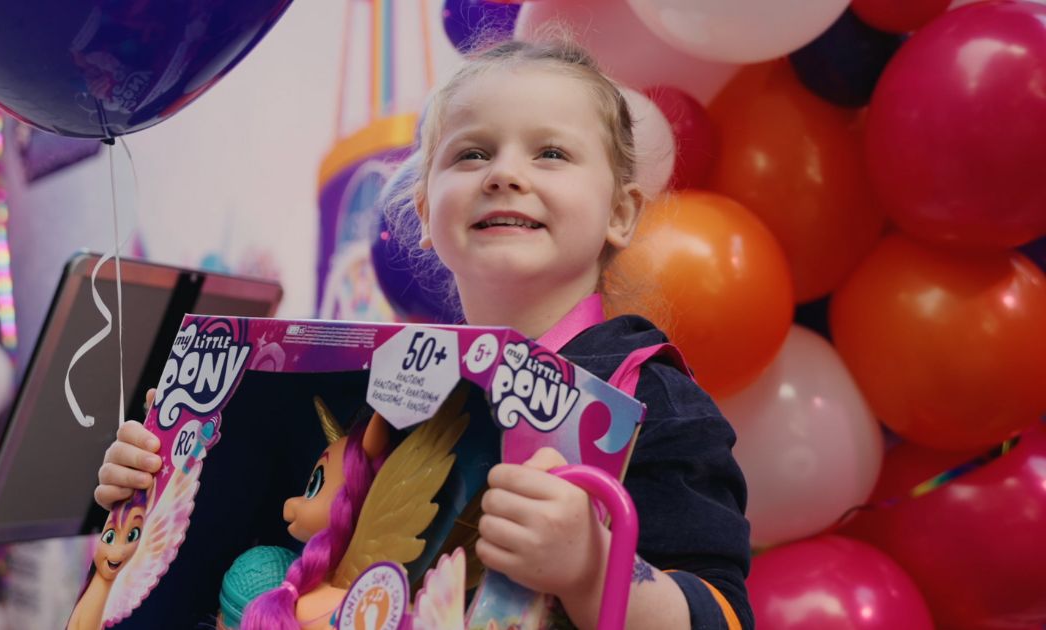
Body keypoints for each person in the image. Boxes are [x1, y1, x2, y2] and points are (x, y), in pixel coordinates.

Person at [95, 38, 752, 630]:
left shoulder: (651, 396)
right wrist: (154, 486)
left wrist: (592, 569)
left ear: (620, 212)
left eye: (551, 152)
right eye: (471, 153)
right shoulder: (377, 388)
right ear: (424, 208)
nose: (504, 173)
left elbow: (720, 614)